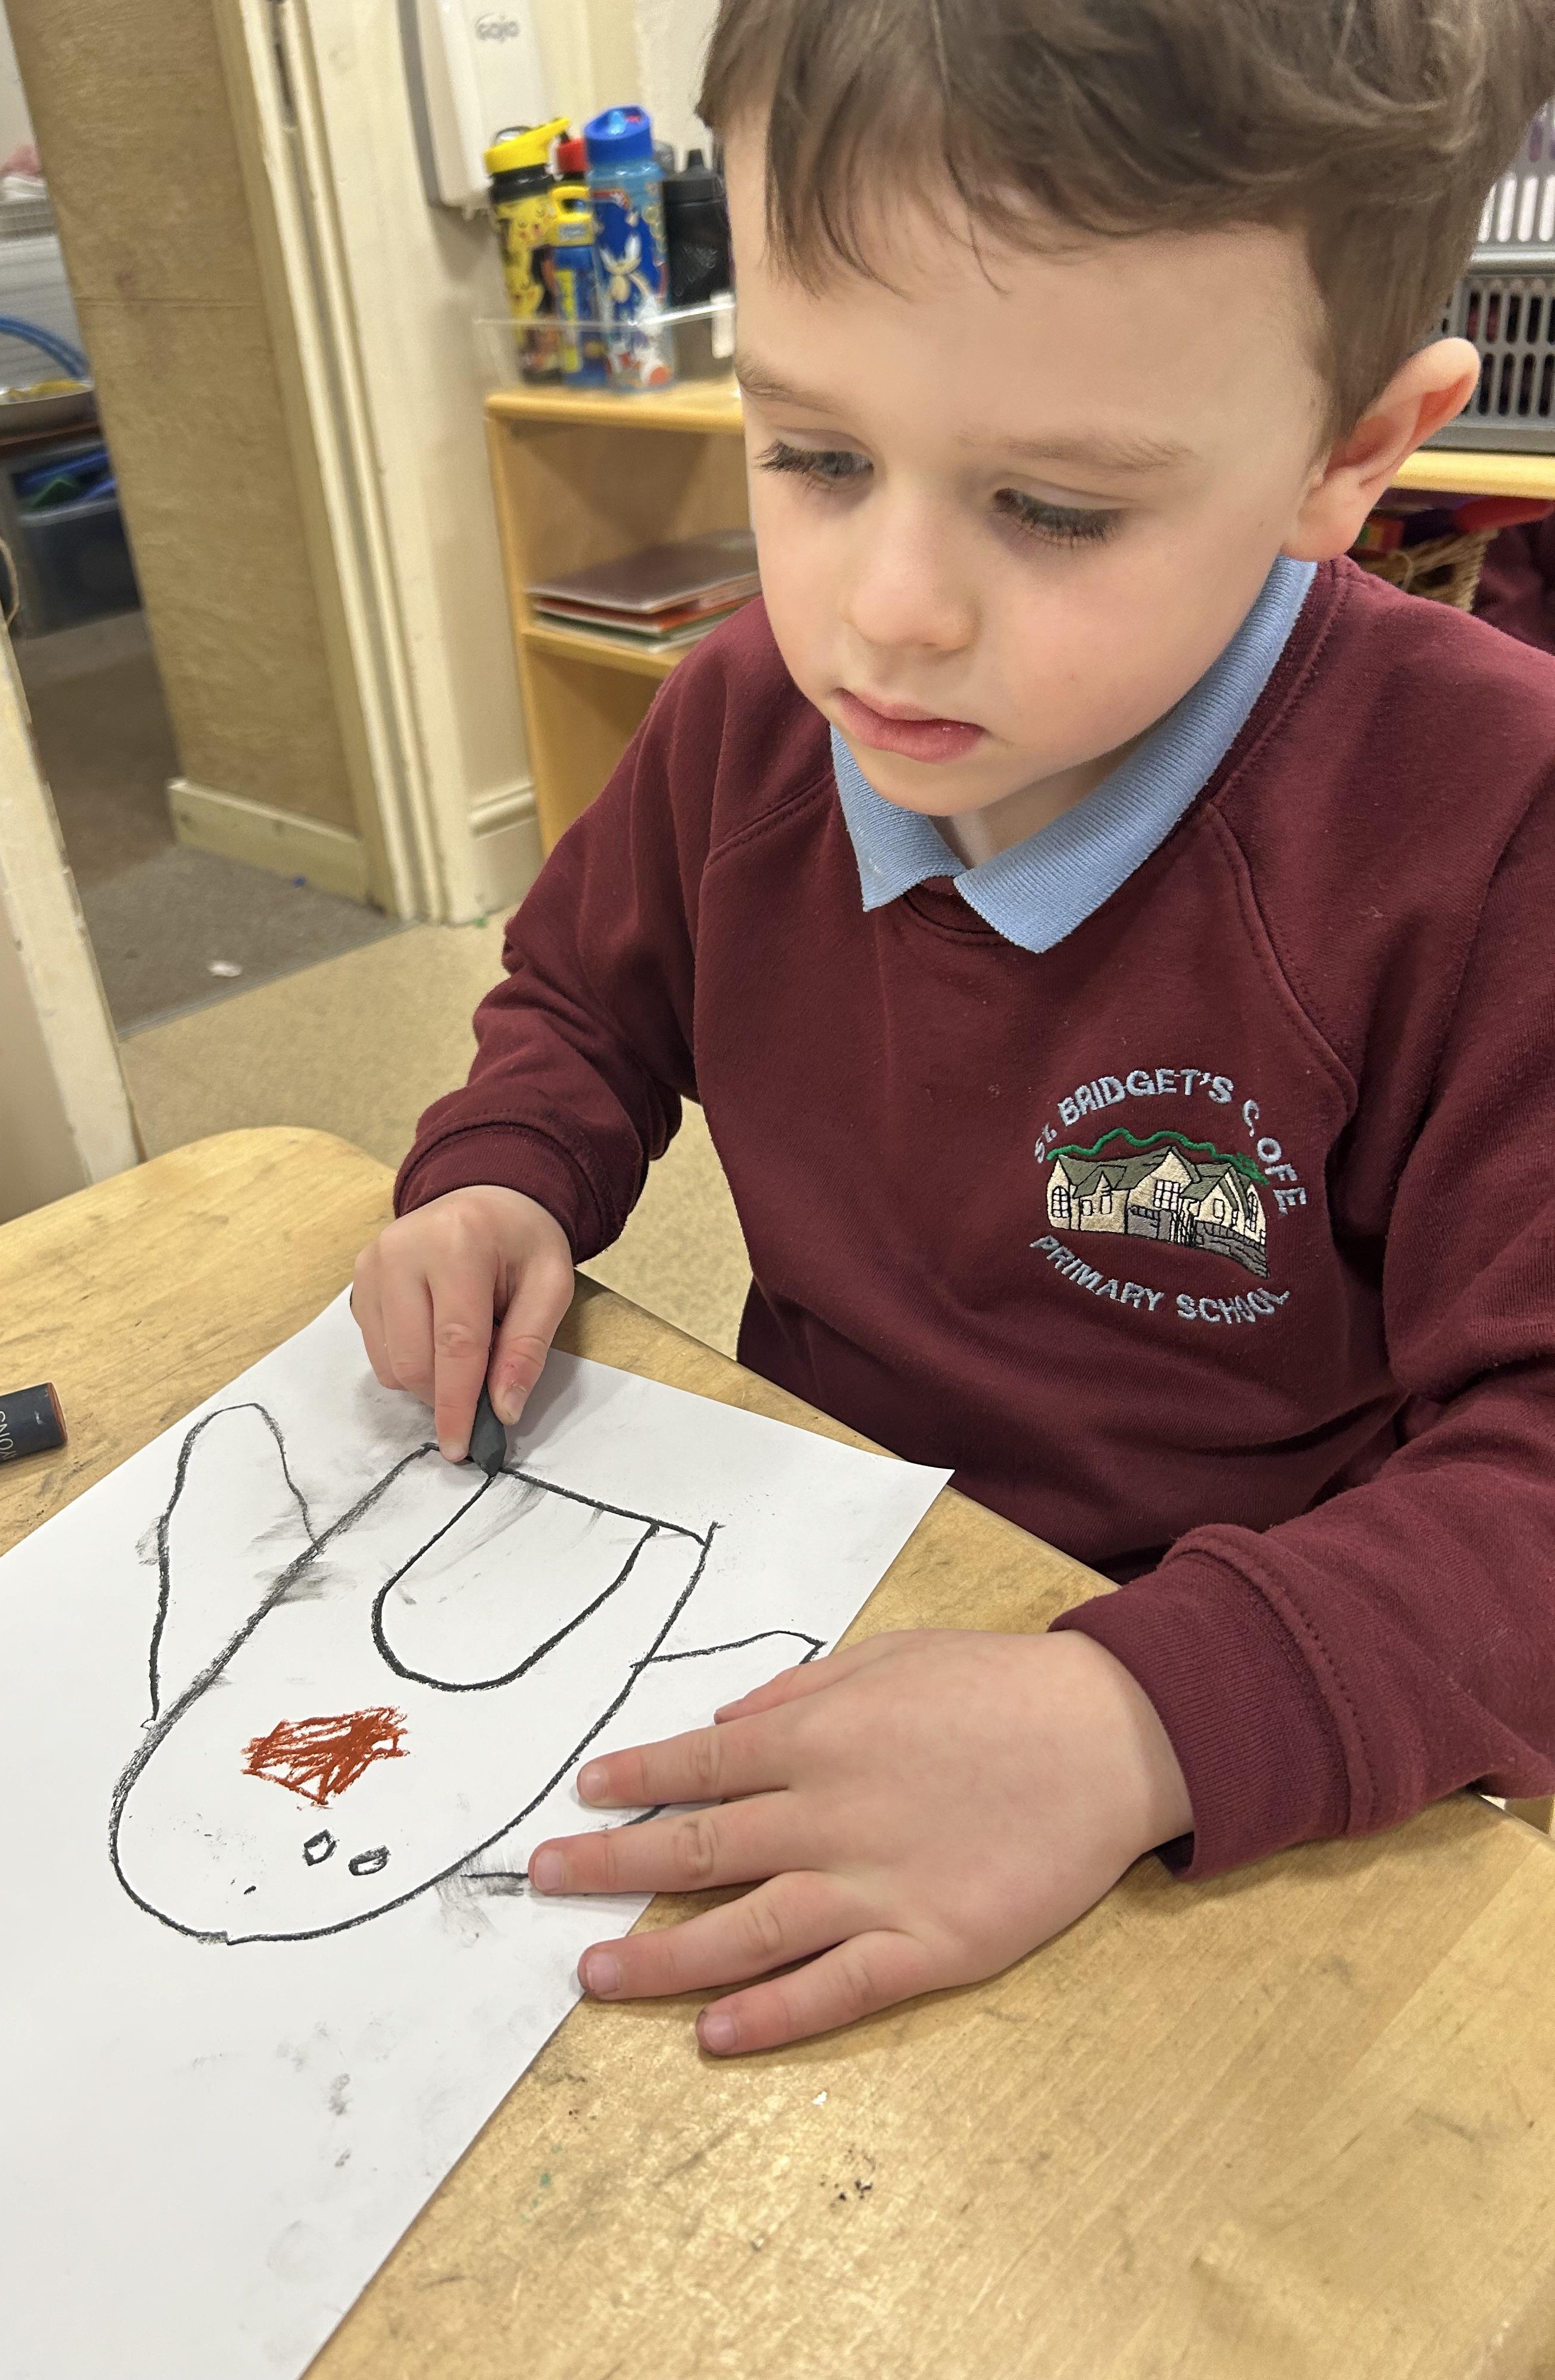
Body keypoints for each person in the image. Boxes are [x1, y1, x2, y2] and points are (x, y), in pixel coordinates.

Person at [353, 0, 1555, 2055]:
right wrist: (503, 1175)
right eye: (814, 455)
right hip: (801, 1585)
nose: (883, 611)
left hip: (1245, 1740)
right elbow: (577, 1005)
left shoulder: (1490, 822)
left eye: (1056, 507)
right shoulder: (745, 718)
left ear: (1353, 453)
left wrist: (1134, 1721)